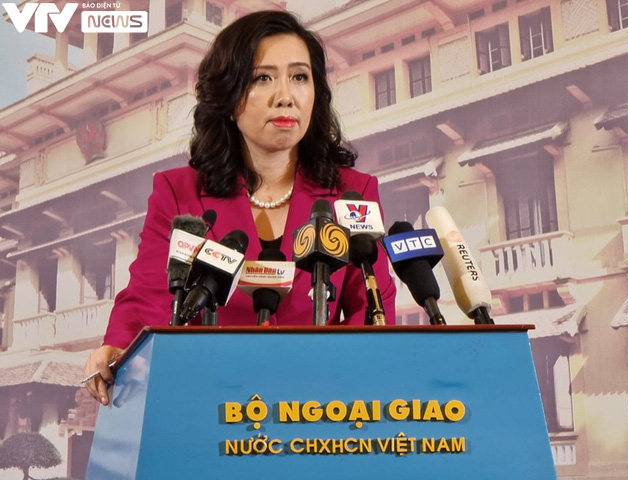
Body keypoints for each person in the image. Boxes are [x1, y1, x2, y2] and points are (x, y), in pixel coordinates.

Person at [83, 10, 396, 405]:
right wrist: (120, 349)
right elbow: (150, 294)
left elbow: (371, 309)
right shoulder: (179, 193)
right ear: (230, 98)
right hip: (209, 404)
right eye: (263, 78)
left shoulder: (353, 193)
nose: (286, 96)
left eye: (300, 77)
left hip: (320, 408)